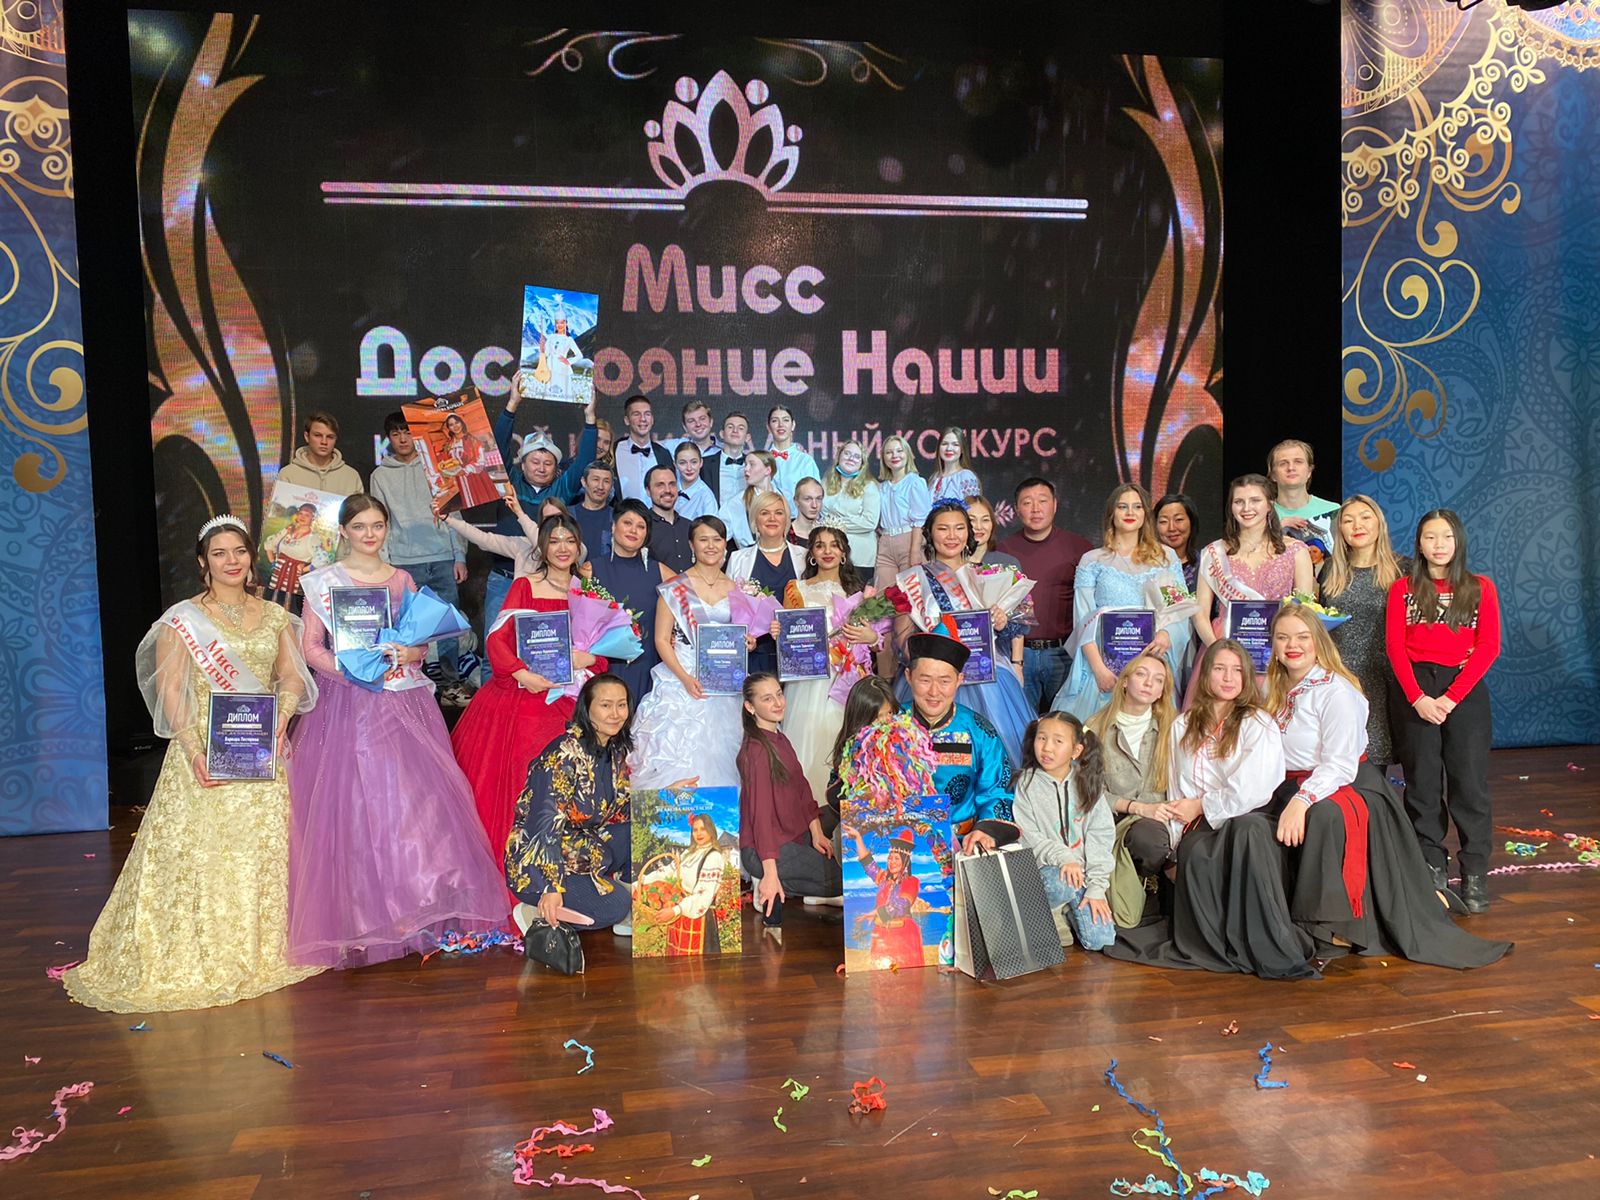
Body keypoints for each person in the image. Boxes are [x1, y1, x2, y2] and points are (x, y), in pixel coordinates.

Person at [63, 516, 323, 1012]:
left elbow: (291, 676)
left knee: (263, 851)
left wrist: (283, 715)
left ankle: (264, 947)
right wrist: (194, 750)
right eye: (220, 553)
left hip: (261, 750)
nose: (232, 561)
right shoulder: (182, 620)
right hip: (205, 750)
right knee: (205, 854)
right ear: (204, 563)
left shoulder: (274, 616)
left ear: (251, 557)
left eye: (239, 551)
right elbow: (171, 691)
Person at [288, 495, 509, 967]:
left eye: (377, 525)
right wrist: (353, 672)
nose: (369, 534)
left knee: (412, 804)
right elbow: (310, 647)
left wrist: (413, 654)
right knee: (356, 805)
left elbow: (419, 639)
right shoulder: (324, 582)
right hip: (347, 704)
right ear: (343, 530)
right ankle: (363, 912)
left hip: (402, 701)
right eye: (360, 526)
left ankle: (415, 904)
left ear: (387, 529)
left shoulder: (401, 579)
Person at [1265, 605, 1510, 966]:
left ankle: (1331, 927)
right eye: (1283, 637)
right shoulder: (1271, 687)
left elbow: (1340, 764)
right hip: (1296, 783)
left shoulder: (1336, 691)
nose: (1292, 645)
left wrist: (1302, 801)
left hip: (1345, 784)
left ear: (1319, 642)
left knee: (1324, 816)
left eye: (1302, 637)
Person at [1104, 640, 1303, 978]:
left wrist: (1202, 805)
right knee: (1194, 849)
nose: (1228, 678)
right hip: (1198, 820)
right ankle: (1208, 943)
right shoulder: (1182, 725)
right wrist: (1174, 847)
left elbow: (1254, 788)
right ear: (1206, 673)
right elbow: (1178, 789)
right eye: (1220, 669)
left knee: (1241, 834)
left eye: (1237, 670)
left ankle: (1251, 941)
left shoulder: (1258, 722)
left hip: (1247, 815)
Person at [451, 514, 604, 865]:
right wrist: (521, 673)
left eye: (570, 541)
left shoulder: (588, 589)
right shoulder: (525, 584)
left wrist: (591, 657)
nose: (563, 548)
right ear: (542, 547)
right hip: (526, 695)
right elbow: (497, 639)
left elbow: (606, 643)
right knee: (528, 780)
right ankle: (524, 865)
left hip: (573, 697)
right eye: (555, 541)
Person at [1386, 509, 1502, 912]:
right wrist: (1418, 698)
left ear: (1459, 542)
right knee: (1421, 783)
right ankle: (1431, 867)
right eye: (1430, 537)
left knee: (1469, 783)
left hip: (1463, 689)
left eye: (1447, 537)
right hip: (1416, 689)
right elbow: (1395, 647)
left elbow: (1488, 646)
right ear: (1419, 544)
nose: (1439, 545)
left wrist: (1451, 698)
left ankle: (1474, 873)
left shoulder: (1479, 587)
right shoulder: (1402, 588)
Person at [892, 501, 1036, 768]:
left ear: (969, 533)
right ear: (929, 533)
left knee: (994, 757)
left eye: (959, 528)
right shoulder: (912, 581)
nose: (952, 536)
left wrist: (1001, 622)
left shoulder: (987, 575)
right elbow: (903, 641)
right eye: (943, 528)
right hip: (933, 680)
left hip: (989, 679)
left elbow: (1010, 632)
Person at [628, 516, 756, 789]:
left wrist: (749, 643)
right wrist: (685, 678)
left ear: (725, 544)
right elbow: (662, 639)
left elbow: (740, 634)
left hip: (724, 679)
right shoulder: (675, 587)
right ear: (691, 544)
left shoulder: (736, 587)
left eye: (717, 539)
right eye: (703, 539)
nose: (711, 546)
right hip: (682, 674)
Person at [505, 674, 635, 936]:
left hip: (580, 847)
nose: (615, 714)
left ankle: (621, 897)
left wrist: (667, 796)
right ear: (587, 709)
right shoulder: (563, 754)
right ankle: (537, 911)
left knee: (641, 829)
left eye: (621, 705)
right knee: (616, 905)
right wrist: (550, 887)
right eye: (606, 705)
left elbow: (623, 808)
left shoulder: (613, 749)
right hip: (538, 862)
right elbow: (542, 824)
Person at [1052, 483, 1193, 720]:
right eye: (1122, 506)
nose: (1130, 512)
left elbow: (1180, 609)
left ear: (1145, 513)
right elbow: (1083, 619)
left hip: (1151, 661)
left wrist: (1166, 634)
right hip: (1103, 666)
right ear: (1112, 513)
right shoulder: (1092, 561)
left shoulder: (1165, 557)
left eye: (1137, 507)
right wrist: (1099, 669)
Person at [370, 412, 472, 706]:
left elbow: (452, 512)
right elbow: (381, 521)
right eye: (396, 434)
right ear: (389, 438)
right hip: (403, 561)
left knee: (447, 625)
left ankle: (451, 683)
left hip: (441, 557)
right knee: (408, 629)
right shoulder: (380, 476)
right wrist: (385, 564)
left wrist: (459, 555)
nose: (402, 439)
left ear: (415, 436)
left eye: (407, 432)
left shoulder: (436, 469)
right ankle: (415, 685)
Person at [779, 526, 882, 808]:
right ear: (811, 553)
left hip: (847, 679)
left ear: (844, 552)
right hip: (808, 680)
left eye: (834, 545)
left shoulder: (859, 593)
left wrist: (870, 637)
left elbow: (877, 643)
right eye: (820, 545)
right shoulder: (796, 590)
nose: (827, 551)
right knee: (807, 737)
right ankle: (805, 809)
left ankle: (845, 808)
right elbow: (789, 639)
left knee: (843, 736)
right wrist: (779, 632)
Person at [739, 673, 842, 941]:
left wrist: (817, 832)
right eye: (767, 699)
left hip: (795, 829)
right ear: (750, 707)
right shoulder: (757, 752)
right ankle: (770, 880)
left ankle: (798, 877)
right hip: (768, 846)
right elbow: (761, 818)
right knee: (846, 880)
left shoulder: (779, 737)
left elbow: (802, 787)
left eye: (779, 694)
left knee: (840, 813)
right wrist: (770, 872)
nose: (778, 703)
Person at [488, 382, 597, 627]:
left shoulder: (561, 489)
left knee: (542, 643)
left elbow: (585, 463)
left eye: (548, 463)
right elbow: (496, 448)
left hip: (545, 581)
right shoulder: (509, 482)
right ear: (522, 462)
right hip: (503, 579)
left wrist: (590, 418)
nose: (541, 468)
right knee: (495, 641)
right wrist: (512, 404)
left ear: (556, 467)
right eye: (535, 461)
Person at [1191, 473, 1316, 679]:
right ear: (1231, 507)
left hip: (1278, 647)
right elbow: (1200, 613)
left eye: (1255, 500)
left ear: (1270, 505)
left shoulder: (1296, 551)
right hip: (1223, 643)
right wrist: (1218, 651)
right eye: (1239, 502)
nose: (1246, 508)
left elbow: (1304, 611)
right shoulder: (1213, 553)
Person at [1011, 712, 1117, 951]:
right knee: (1062, 882)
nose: (1047, 748)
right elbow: (1028, 836)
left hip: (1081, 876)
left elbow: (1101, 837)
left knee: (1100, 941)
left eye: (1058, 741)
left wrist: (1096, 888)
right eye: (1042, 738)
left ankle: (1068, 909)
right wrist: (1064, 857)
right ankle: (1050, 912)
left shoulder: (1088, 783)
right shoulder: (1027, 783)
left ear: (1076, 751)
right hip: (1046, 872)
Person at [901, 632, 1017, 848]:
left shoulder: (980, 731)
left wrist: (985, 831)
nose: (934, 692)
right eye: (925, 680)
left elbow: (996, 790)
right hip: (900, 842)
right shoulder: (887, 727)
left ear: (959, 680)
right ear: (908, 676)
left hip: (966, 843)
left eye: (944, 681)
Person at [1321, 494, 1408, 765]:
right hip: (1341, 676)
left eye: (1365, 517)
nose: (1357, 525)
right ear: (1340, 529)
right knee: (1343, 758)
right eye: (1348, 520)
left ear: (1379, 523)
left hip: (1386, 677)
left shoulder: (1403, 569)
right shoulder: (1329, 570)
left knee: (1377, 761)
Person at [1084, 653, 1181, 896]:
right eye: (1141, 674)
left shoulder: (1175, 727)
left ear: (1161, 691)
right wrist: (1136, 807)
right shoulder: (1094, 727)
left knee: (1154, 839)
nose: (1149, 683)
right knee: (1147, 839)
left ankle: (1152, 881)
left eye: (1158, 680)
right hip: (1114, 818)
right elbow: (1087, 791)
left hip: (1163, 819)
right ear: (1125, 681)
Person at [997, 477, 1095, 715]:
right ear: (1017, 509)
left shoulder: (1080, 548)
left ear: (1055, 505)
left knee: (1065, 723)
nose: (1035, 509)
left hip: (1063, 654)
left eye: (1042, 501)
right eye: (1027, 502)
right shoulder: (1002, 551)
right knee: (1021, 723)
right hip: (1019, 654)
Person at [588, 499, 675, 704]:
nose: (634, 530)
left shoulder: (660, 571)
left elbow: (690, 604)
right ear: (613, 526)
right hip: (606, 667)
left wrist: (673, 633)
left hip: (648, 664)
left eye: (641, 526)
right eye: (627, 523)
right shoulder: (591, 570)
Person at [728, 491, 808, 677]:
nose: (772, 518)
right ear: (755, 520)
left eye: (779, 513)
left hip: (797, 653)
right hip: (754, 654)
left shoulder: (804, 556)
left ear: (786, 519)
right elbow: (730, 609)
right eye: (765, 513)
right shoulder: (738, 559)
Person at [636, 811, 729, 954]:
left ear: (711, 831)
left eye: (703, 829)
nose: (699, 833)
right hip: (677, 913)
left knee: (695, 963)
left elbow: (704, 894)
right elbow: (668, 872)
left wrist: (675, 910)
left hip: (698, 917)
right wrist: (640, 883)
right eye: (695, 830)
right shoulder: (688, 854)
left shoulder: (714, 856)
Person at [840, 824, 926, 967]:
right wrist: (858, 838)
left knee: (905, 975)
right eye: (890, 858)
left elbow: (900, 905)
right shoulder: (884, 879)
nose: (892, 862)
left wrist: (875, 912)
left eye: (896, 858)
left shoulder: (911, 882)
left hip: (903, 935)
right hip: (881, 934)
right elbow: (868, 864)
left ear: (905, 861)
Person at [874, 434, 933, 591]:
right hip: (886, 541)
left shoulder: (915, 482)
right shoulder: (882, 487)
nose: (895, 455)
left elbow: (920, 521)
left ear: (907, 454)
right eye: (889, 452)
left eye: (899, 451)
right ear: (883, 458)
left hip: (908, 539)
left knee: (913, 594)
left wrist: (915, 550)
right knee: (884, 593)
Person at [1268, 439, 1339, 566]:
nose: (1291, 468)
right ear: (1273, 474)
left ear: (1309, 471)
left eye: (1298, 462)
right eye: (1283, 463)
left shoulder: (1333, 511)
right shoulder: (1260, 514)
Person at [819, 440, 881, 570]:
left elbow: (869, 522)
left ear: (862, 463)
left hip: (859, 557)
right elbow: (820, 516)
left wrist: (835, 524)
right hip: (829, 554)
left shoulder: (869, 486)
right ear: (839, 456)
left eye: (857, 456)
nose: (851, 458)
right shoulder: (824, 483)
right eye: (847, 453)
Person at [276, 410, 363, 495]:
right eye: (318, 435)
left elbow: (361, 505)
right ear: (307, 437)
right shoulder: (288, 474)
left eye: (330, 437)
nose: (324, 442)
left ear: (335, 439)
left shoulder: (351, 476)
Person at [613, 395, 675, 503]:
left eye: (647, 414)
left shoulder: (663, 454)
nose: (643, 419)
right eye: (636, 414)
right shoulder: (614, 450)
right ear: (627, 420)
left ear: (652, 419)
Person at [766, 403, 821, 513]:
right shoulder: (761, 461)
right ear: (768, 427)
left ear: (793, 425)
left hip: (798, 520)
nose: (781, 425)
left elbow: (815, 496)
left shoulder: (805, 461)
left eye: (786, 420)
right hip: (768, 518)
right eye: (775, 421)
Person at [717, 449, 778, 548]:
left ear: (768, 470)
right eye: (745, 465)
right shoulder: (735, 503)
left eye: (752, 464)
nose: (746, 469)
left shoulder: (785, 497)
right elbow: (718, 536)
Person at [440, 412, 500, 509]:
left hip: (477, 476)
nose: (455, 426)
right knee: (470, 504)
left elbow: (481, 461)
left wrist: (466, 470)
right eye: (451, 425)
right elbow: (449, 462)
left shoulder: (472, 440)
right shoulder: (449, 445)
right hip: (461, 480)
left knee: (484, 502)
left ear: (461, 423)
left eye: (457, 422)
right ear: (449, 428)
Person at [645, 464, 693, 572]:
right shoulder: (642, 527)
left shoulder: (690, 526)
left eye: (672, 484)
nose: (667, 490)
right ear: (648, 491)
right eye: (660, 485)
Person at [1154, 492, 1201, 594]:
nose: (1171, 528)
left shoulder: (1204, 565)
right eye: (1163, 521)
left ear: (1192, 522)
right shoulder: (1146, 566)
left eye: (1179, 519)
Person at [706, 410, 753, 509]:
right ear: (722, 434)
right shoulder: (705, 465)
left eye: (741, 428)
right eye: (730, 427)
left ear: (747, 437)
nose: (735, 430)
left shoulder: (755, 465)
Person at [571, 459, 616, 559]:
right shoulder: (567, 515)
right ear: (584, 482)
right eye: (595, 479)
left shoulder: (617, 517)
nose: (600, 486)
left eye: (606, 481)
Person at [929, 426, 980, 503]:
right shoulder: (934, 477)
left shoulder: (966, 476)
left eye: (955, 444)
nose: (949, 448)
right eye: (944, 444)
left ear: (962, 449)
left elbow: (973, 507)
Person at [674, 442, 717, 519]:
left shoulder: (707, 497)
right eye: (682, 463)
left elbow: (711, 526)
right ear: (675, 465)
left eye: (694, 462)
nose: (689, 468)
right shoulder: (668, 489)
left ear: (701, 463)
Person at [790, 476, 825, 546]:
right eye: (807, 499)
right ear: (796, 501)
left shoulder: (827, 534)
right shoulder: (784, 533)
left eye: (818, 499)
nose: (814, 505)